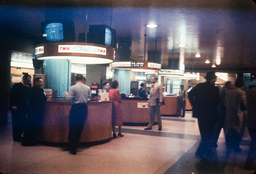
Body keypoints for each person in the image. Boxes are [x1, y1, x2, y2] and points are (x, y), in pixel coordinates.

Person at [188, 71, 220, 160]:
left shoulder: (199, 86)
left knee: (203, 132)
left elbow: (190, 94)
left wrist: (194, 104)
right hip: (211, 114)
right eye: (215, 78)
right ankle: (201, 151)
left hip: (200, 113)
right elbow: (218, 101)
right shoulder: (215, 89)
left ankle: (205, 151)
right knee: (209, 133)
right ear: (213, 79)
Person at [63, 74, 91, 154]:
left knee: (72, 127)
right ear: (82, 79)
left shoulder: (73, 87)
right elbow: (89, 98)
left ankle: (71, 147)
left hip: (75, 108)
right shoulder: (87, 87)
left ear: (75, 79)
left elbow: (69, 100)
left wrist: (66, 96)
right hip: (84, 108)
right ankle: (74, 147)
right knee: (79, 128)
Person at [22, 77, 47, 146]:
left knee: (29, 126)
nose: (42, 83)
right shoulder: (39, 90)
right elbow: (44, 98)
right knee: (35, 127)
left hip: (31, 110)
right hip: (37, 110)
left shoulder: (31, 89)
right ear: (36, 82)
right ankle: (32, 141)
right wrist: (44, 94)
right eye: (41, 81)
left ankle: (26, 141)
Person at [225, 79, 246, 152]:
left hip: (229, 113)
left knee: (229, 130)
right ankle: (236, 147)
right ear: (242, 85)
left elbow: (225, 102)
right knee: (237, 131)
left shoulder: (229, 92)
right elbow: (243, 105)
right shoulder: (241, 93)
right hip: (238, 114)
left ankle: (229, 145)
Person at [211, 81, 234, 148]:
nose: (232, 86)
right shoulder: (226, 92)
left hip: (219, 113)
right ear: (228, 85)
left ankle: (213, 142)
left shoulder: (221, 91)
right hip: (224, 113)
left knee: (217, 129)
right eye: (231, 85)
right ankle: (228, 143)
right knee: (226, 129)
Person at [10, 73, 31, 142]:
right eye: (28, 80)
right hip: (17, 106)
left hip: (23, 107)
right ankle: (16, 137)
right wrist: (13, 105)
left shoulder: (26, 87)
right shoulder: (17, 86)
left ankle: (19, 135)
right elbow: (13, 96)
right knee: (16, 121)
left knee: (22, 121)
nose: (29, 82)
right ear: (24, 79)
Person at [244, 86, 256, 169]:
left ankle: (249, 162)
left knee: (254, 142)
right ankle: (249, 162)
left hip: (250, 121)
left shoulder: (249, 92)